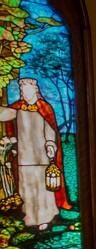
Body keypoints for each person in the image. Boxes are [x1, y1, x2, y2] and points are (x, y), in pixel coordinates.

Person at [0, 78, 71, 230]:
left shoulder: (44, 109)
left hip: (42, 159)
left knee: (43, 191)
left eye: (27, 90)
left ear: (35, 91)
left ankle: (45, 217)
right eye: (22, 91)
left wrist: (50, 145)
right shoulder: (17, 109)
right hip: (24, 160)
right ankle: (29, 218)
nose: (24, 93)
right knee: (26, 190)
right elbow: (3, 114)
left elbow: (50, 131)